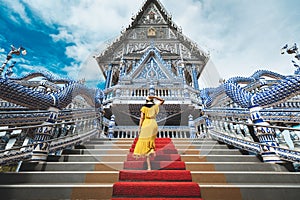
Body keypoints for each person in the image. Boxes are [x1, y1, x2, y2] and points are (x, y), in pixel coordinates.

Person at [133, 95, 165, 170]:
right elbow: (162, 100)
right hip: (153, 123)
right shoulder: (155, 106)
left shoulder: (144, 108)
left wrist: (139, 127)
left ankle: (149, 166)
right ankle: (151, 152)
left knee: (145, 141)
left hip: (146, 123)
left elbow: (141, 118)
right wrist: (155, 96)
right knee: (150, 141)